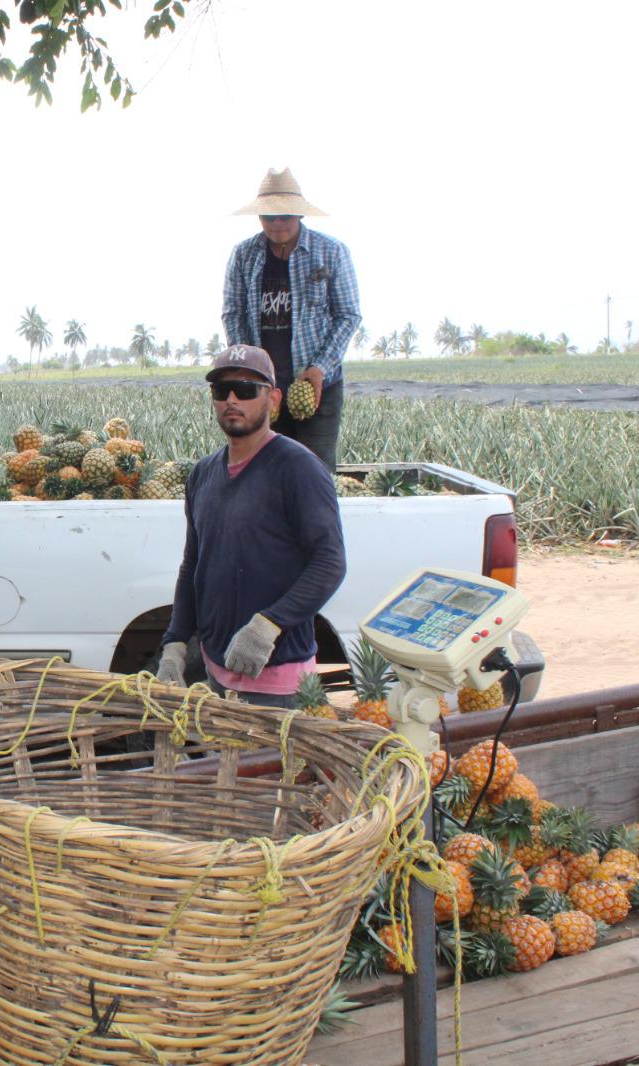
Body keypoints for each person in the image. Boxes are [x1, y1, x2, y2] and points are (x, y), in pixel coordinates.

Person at [156, 345, 347, 707]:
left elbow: (330, 562)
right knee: (223, 764)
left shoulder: (298, 469)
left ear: (273, 400)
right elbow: (193, 565)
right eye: (220, 391)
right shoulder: (202, 474)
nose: (231, 399)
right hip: (216, 673)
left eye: (245, 390)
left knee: (272, 767)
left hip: (278, 683)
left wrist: (267, 626)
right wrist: (176, 643)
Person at [220, 167, 361, 474]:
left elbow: (348, 315)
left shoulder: (331, 252)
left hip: (316, 385)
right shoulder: (244, 255)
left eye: (285, 216)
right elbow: (233, 314)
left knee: (316, 470)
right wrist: (248, 366)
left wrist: (319, 368)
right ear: (260, 218)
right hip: (263, 388)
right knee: (264, 470)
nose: (277, 224)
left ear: (300, 215)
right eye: (269, 217)